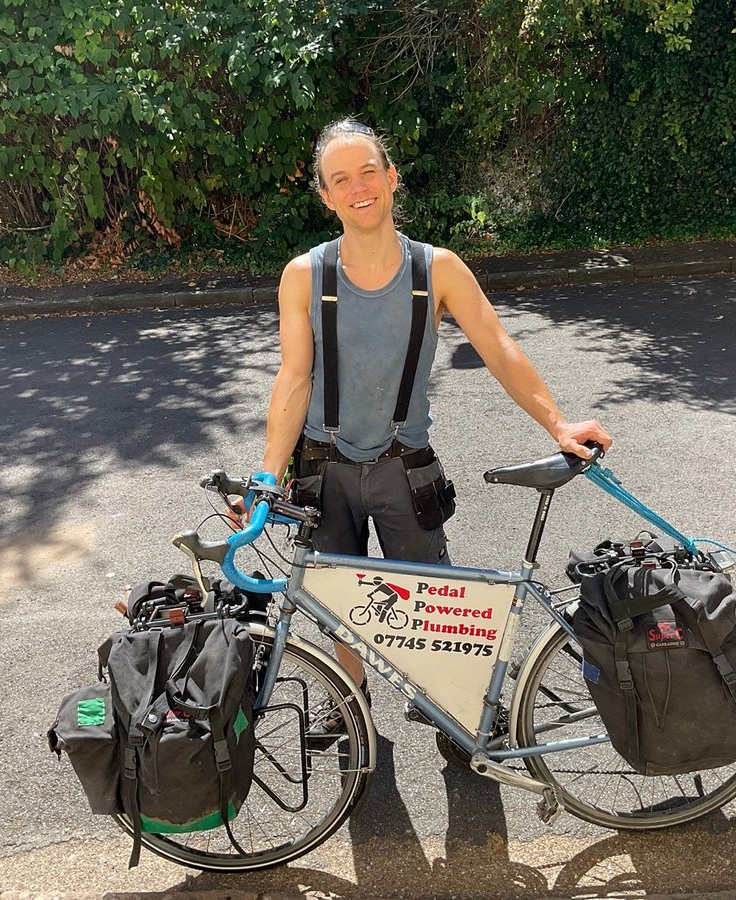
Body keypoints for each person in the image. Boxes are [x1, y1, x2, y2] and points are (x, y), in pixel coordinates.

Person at [259, 118, 612, 695]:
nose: (357, 187)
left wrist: (557, 422)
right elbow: (294, 378)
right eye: (340, 179)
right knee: (334, 602)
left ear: (392, 177)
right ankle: (351, 706)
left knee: (431, 606)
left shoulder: (437, 268)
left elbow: (497, 346)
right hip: (324, 469)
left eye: (368, 171)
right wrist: (266, 477)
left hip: (405, 464)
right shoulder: (304, 276)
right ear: (326, 196)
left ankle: (446, 704)